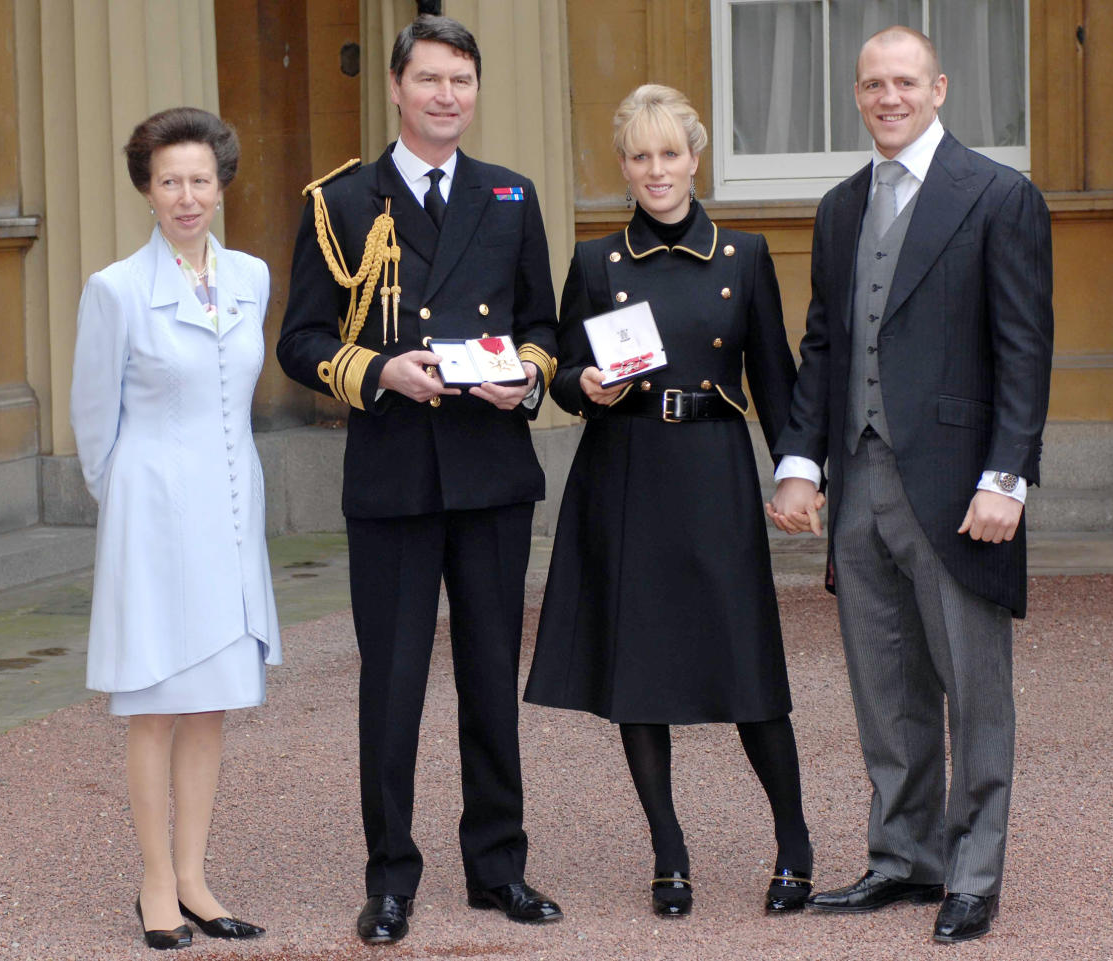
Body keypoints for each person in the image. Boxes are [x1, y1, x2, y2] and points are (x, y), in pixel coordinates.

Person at [277, 15, 561, 945]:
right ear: (396, 89)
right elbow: (302, 340)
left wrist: (527, 374)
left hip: (488, 472)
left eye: (463, 82)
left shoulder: (511, 195)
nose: (448, 96)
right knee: (392, 686)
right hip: (395, 472)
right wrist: (378, 372)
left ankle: (498, 868)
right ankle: (391, 876)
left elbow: (542, 325)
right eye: (431, 80)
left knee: (489, 677)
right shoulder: (341, 200)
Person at [766, 26, 1053, 944]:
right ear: (857, 95)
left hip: (962, 484)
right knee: (882, 682)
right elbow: (824, 345)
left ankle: (973, 871)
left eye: (904, 82)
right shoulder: (842, 206)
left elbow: (1024, 349)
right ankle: (903, 856)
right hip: (860, 478)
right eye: (871, 85)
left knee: (972, 688)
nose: (887, 97)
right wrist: (801, 460)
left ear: (938, 88)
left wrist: (1007, 476)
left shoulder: (999, 195)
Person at [524, 84, 815, 919]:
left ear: (697, 157)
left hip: (714, 468)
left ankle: (793, 843)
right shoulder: (593, 261)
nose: (656, 170)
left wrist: (795, 469)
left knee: (749, 666)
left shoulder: (745, 256)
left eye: (670, 153)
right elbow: (568, 379)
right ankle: (669, 853)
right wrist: (582, 384)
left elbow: (776, 378)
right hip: (626, 472)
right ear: (624, 165)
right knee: (639, 672)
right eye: (639, 155)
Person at [70, 107, 280, 950]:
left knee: (211, 706)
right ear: (146, 191)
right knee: (154, 706)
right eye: (169, 182)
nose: (186, 196)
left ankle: (195, 876)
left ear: (221, 185)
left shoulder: (254, 276)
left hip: (233, 512)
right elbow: (95, 427)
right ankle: (155, 882)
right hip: (151, 518)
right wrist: (133, 512)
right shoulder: (115, 289)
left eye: (200, 179)